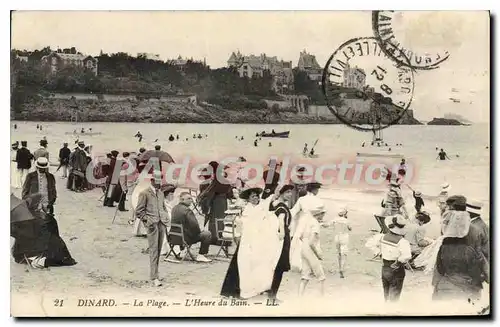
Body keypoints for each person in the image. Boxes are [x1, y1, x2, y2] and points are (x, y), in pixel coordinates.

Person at [220, 187, 281, 299]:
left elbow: (271, 199)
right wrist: (238, 236)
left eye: (257, 196)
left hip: (259, 239)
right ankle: (239, 290)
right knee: (244, 263)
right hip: (247, 240)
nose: (256, 198)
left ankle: (258, 286)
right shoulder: (246, 210)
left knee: (259, 263)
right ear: (248, 199)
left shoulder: (261, 207)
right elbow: (241, 225)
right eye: (253, 196)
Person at [432, 198, 488, 302]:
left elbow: (439, 265)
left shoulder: (457, 228)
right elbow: (484, 254)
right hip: (469, 277)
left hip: (454, 277)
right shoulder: (480, 227)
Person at [135, 172, 171, 287]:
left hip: (161, 224)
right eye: (157, 180)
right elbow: (139, 211)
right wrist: (148, 221)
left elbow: (163, 207)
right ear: (151, 180)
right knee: (154, 250)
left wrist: (165, 217)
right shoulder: (144, 193)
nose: (159, 182)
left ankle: (155, 274)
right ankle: (154, 277)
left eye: (160, 180)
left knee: (159, 250)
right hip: (152, 225)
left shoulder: (160, 193)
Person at [365, 215, 412, 302]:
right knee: (395, 295)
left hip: (385, 267)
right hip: (396, 268)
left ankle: (386, 308)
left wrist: (379, 252)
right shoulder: (402, 242)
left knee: (386, 291)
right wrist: (398, 261)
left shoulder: (382, 237)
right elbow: (406, 256)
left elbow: (369, 244)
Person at [293, 185, 327, 297]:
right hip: (310, 245)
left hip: (303, 235)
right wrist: (318, 253)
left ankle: (299, 297)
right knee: (320, 276)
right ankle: (322, 298)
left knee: (305, 275)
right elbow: (313, 242)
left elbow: (293, 212)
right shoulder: (318, 202)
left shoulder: (302, 200)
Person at [268, 184, 294, 300]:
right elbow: (281, 220)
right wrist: (283, 233)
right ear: (282, 193)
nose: (290, 195)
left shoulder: (274, 204)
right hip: (282, 237)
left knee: (273, 265)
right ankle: (273, 294)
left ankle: (270, 291)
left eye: (290, 193)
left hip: (273, 236)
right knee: (279, 266)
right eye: (287, 192)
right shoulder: (282, 207)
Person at [170, 192, 212, 263]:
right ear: (182, 199)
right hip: (185, 239)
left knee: (185, 230)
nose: (191, 200)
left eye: (191, 198)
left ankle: (182, 250)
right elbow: (194, 226)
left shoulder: (174, 208)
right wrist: (200, 232)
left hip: (174, 237)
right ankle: (201, 255)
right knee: (207, 234)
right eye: (189, 198)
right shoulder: (187, 210)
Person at [331, 208, 352, 278]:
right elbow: (350, 228)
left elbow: (329, 225)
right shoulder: (346, 221)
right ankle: (342, 269)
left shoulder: (335, 219)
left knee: (339, 253)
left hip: (337, 236)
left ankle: (339, 267)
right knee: (344, 254)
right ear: (344, 214)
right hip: (344, 237)